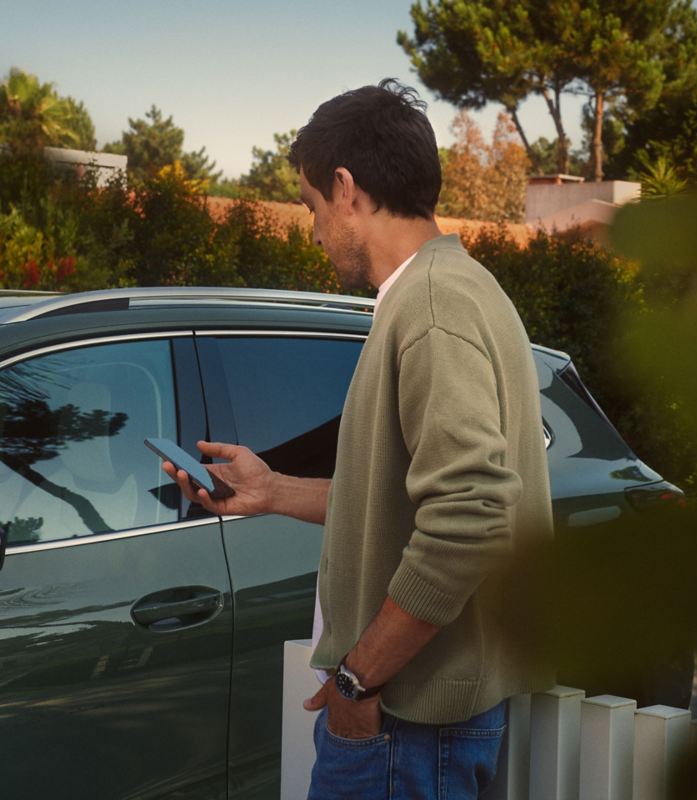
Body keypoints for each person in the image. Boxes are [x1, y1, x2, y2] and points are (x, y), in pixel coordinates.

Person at [164, 78, 553, 800]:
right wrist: (273, 490)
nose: (311, 231)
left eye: (311, 206)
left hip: (403, 723)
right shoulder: (453, 287)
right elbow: (404, 500)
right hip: (409, 723)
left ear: (346, 188)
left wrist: (357, 675)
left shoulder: (432, 307)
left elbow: (472, 518)